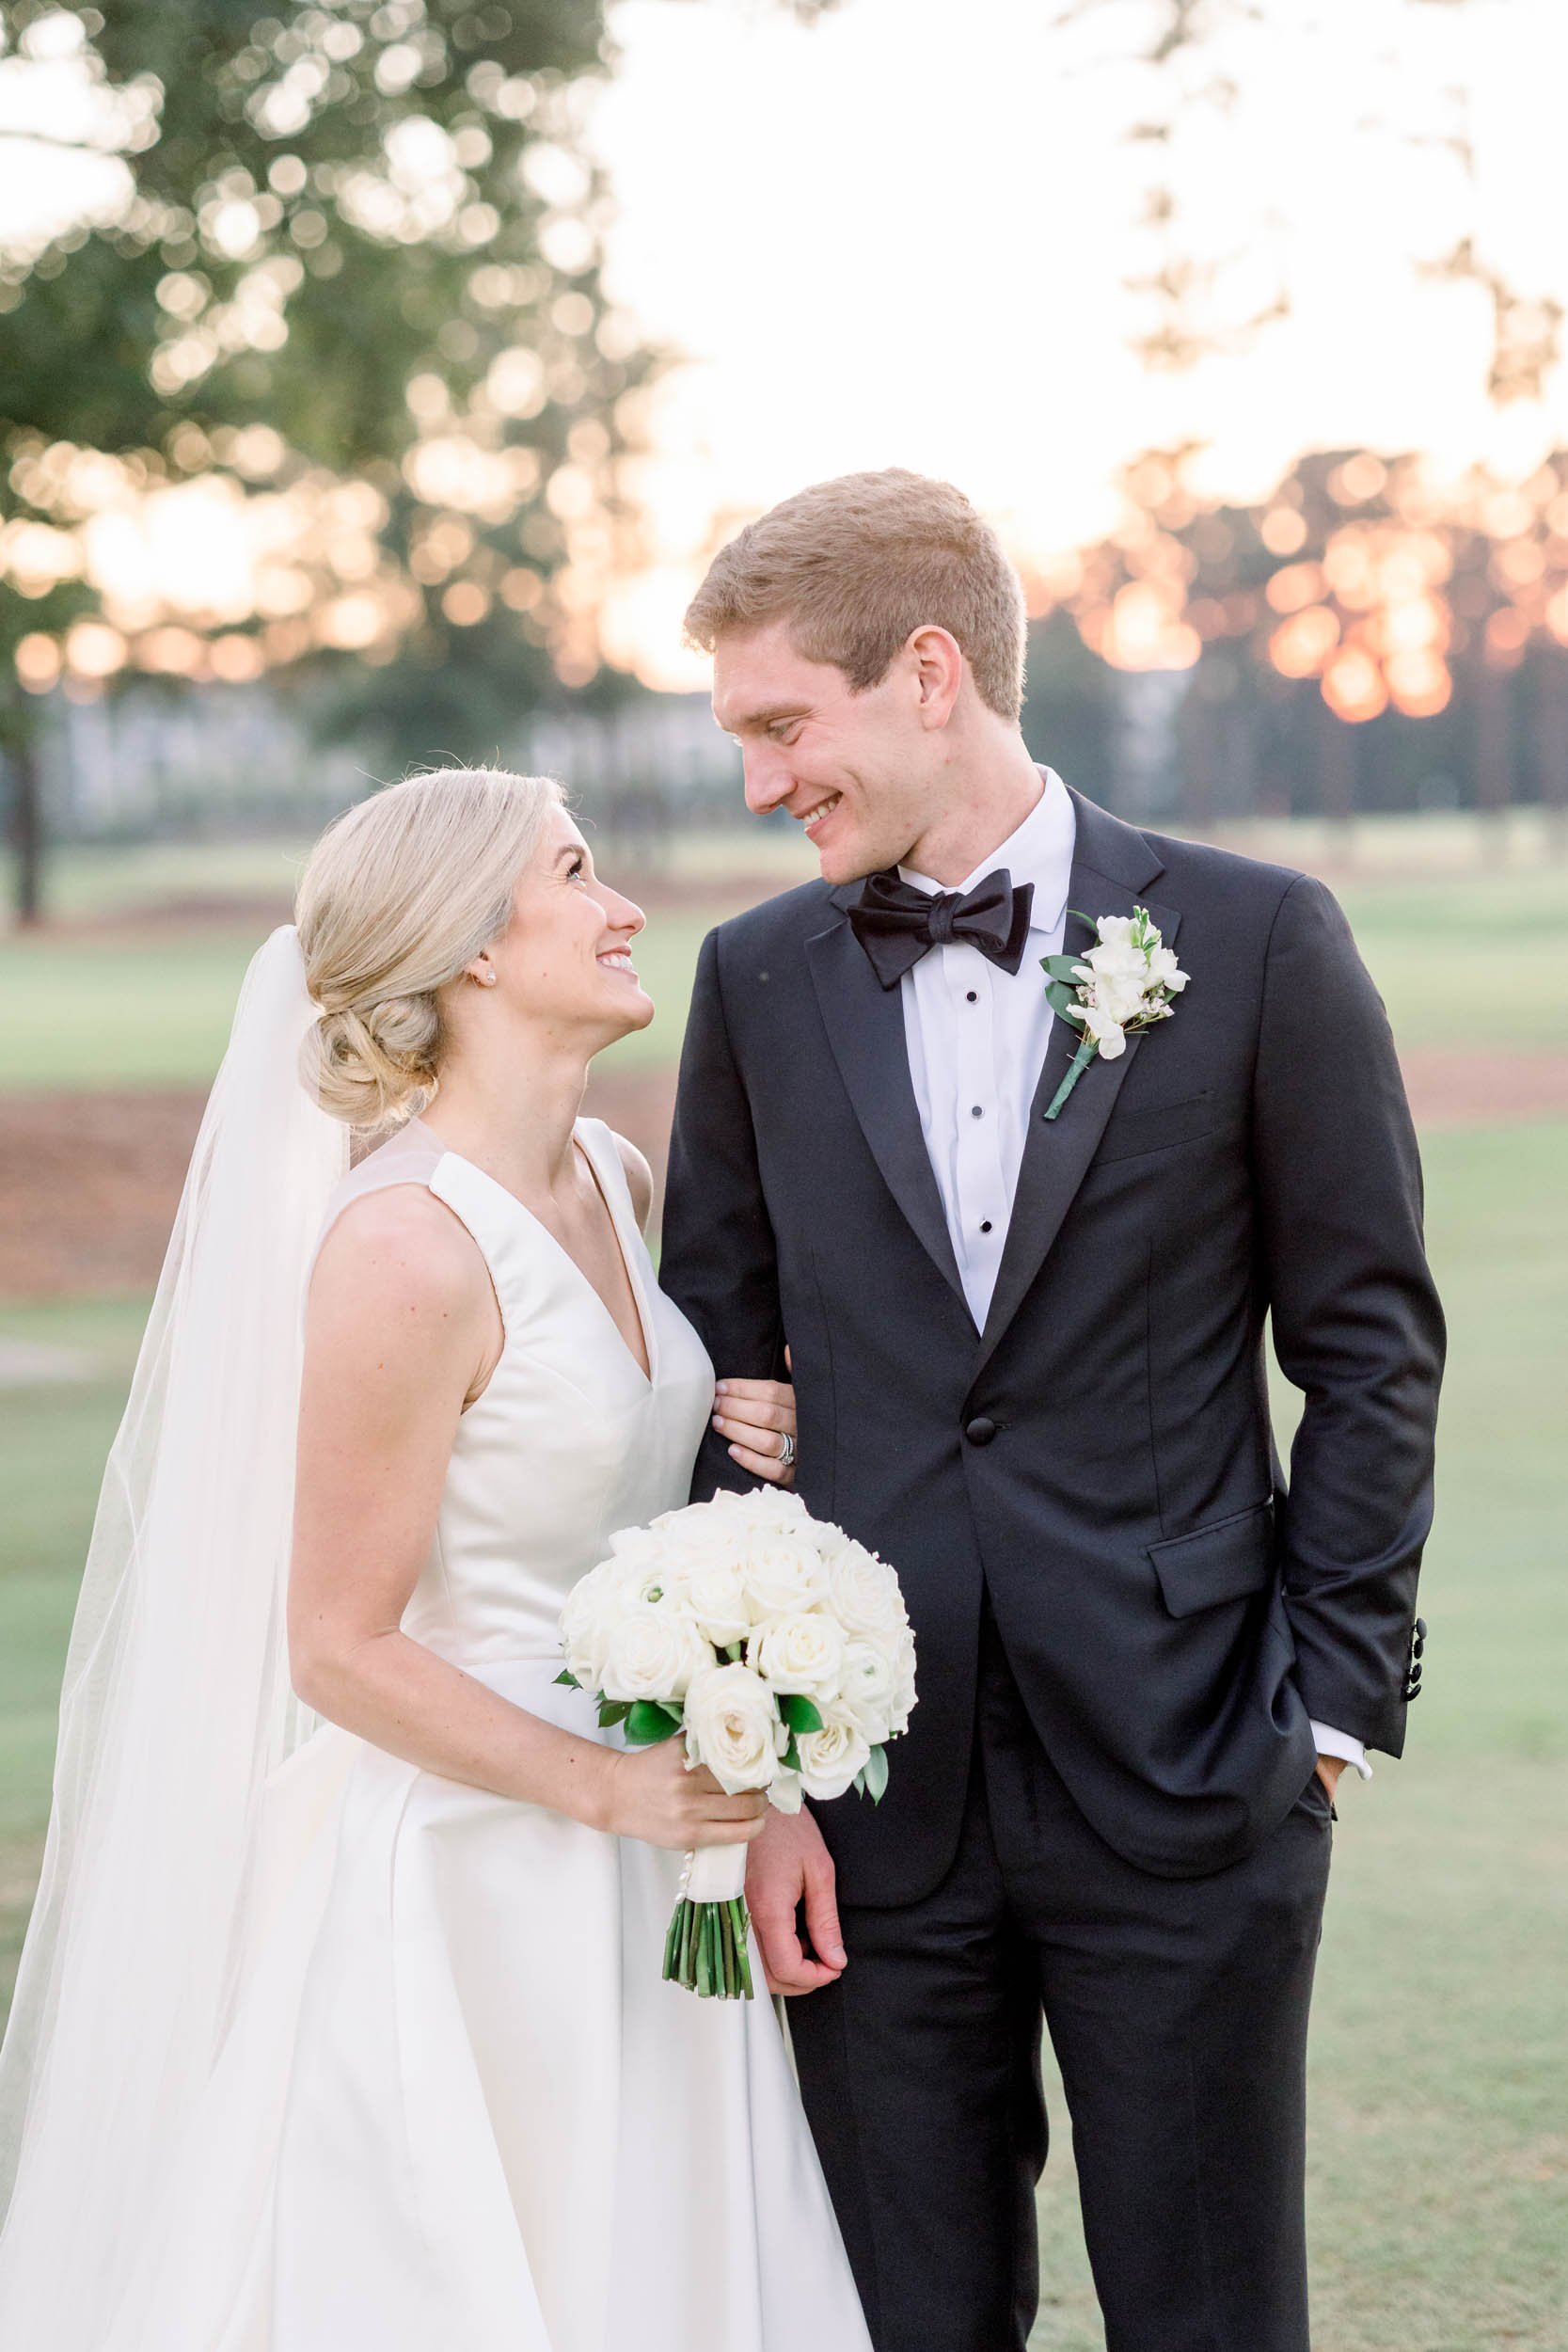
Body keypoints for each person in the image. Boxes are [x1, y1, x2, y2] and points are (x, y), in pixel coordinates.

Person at [661, 469, 1446, 2352]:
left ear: (930, 671)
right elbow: (723, 1376)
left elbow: (1372, 1344)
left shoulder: (1259, 940)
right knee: (909, 2319)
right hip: (864, 1813)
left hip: (1191, 1775)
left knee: (1209, 2310)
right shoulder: (754, 978)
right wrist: (758, 1787)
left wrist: (1324, 1710)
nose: (764, 784)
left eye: (786, 724)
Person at [0, 768, 873, 2352]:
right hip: (478, 1869)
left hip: (653, 1834)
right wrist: (604, 1789)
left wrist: (755, 1779)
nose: (624, 909)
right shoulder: (402, 1246)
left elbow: (639, 1498)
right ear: (474, 945)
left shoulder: (610, 1178)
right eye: (579, 872)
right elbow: (336, 1645)